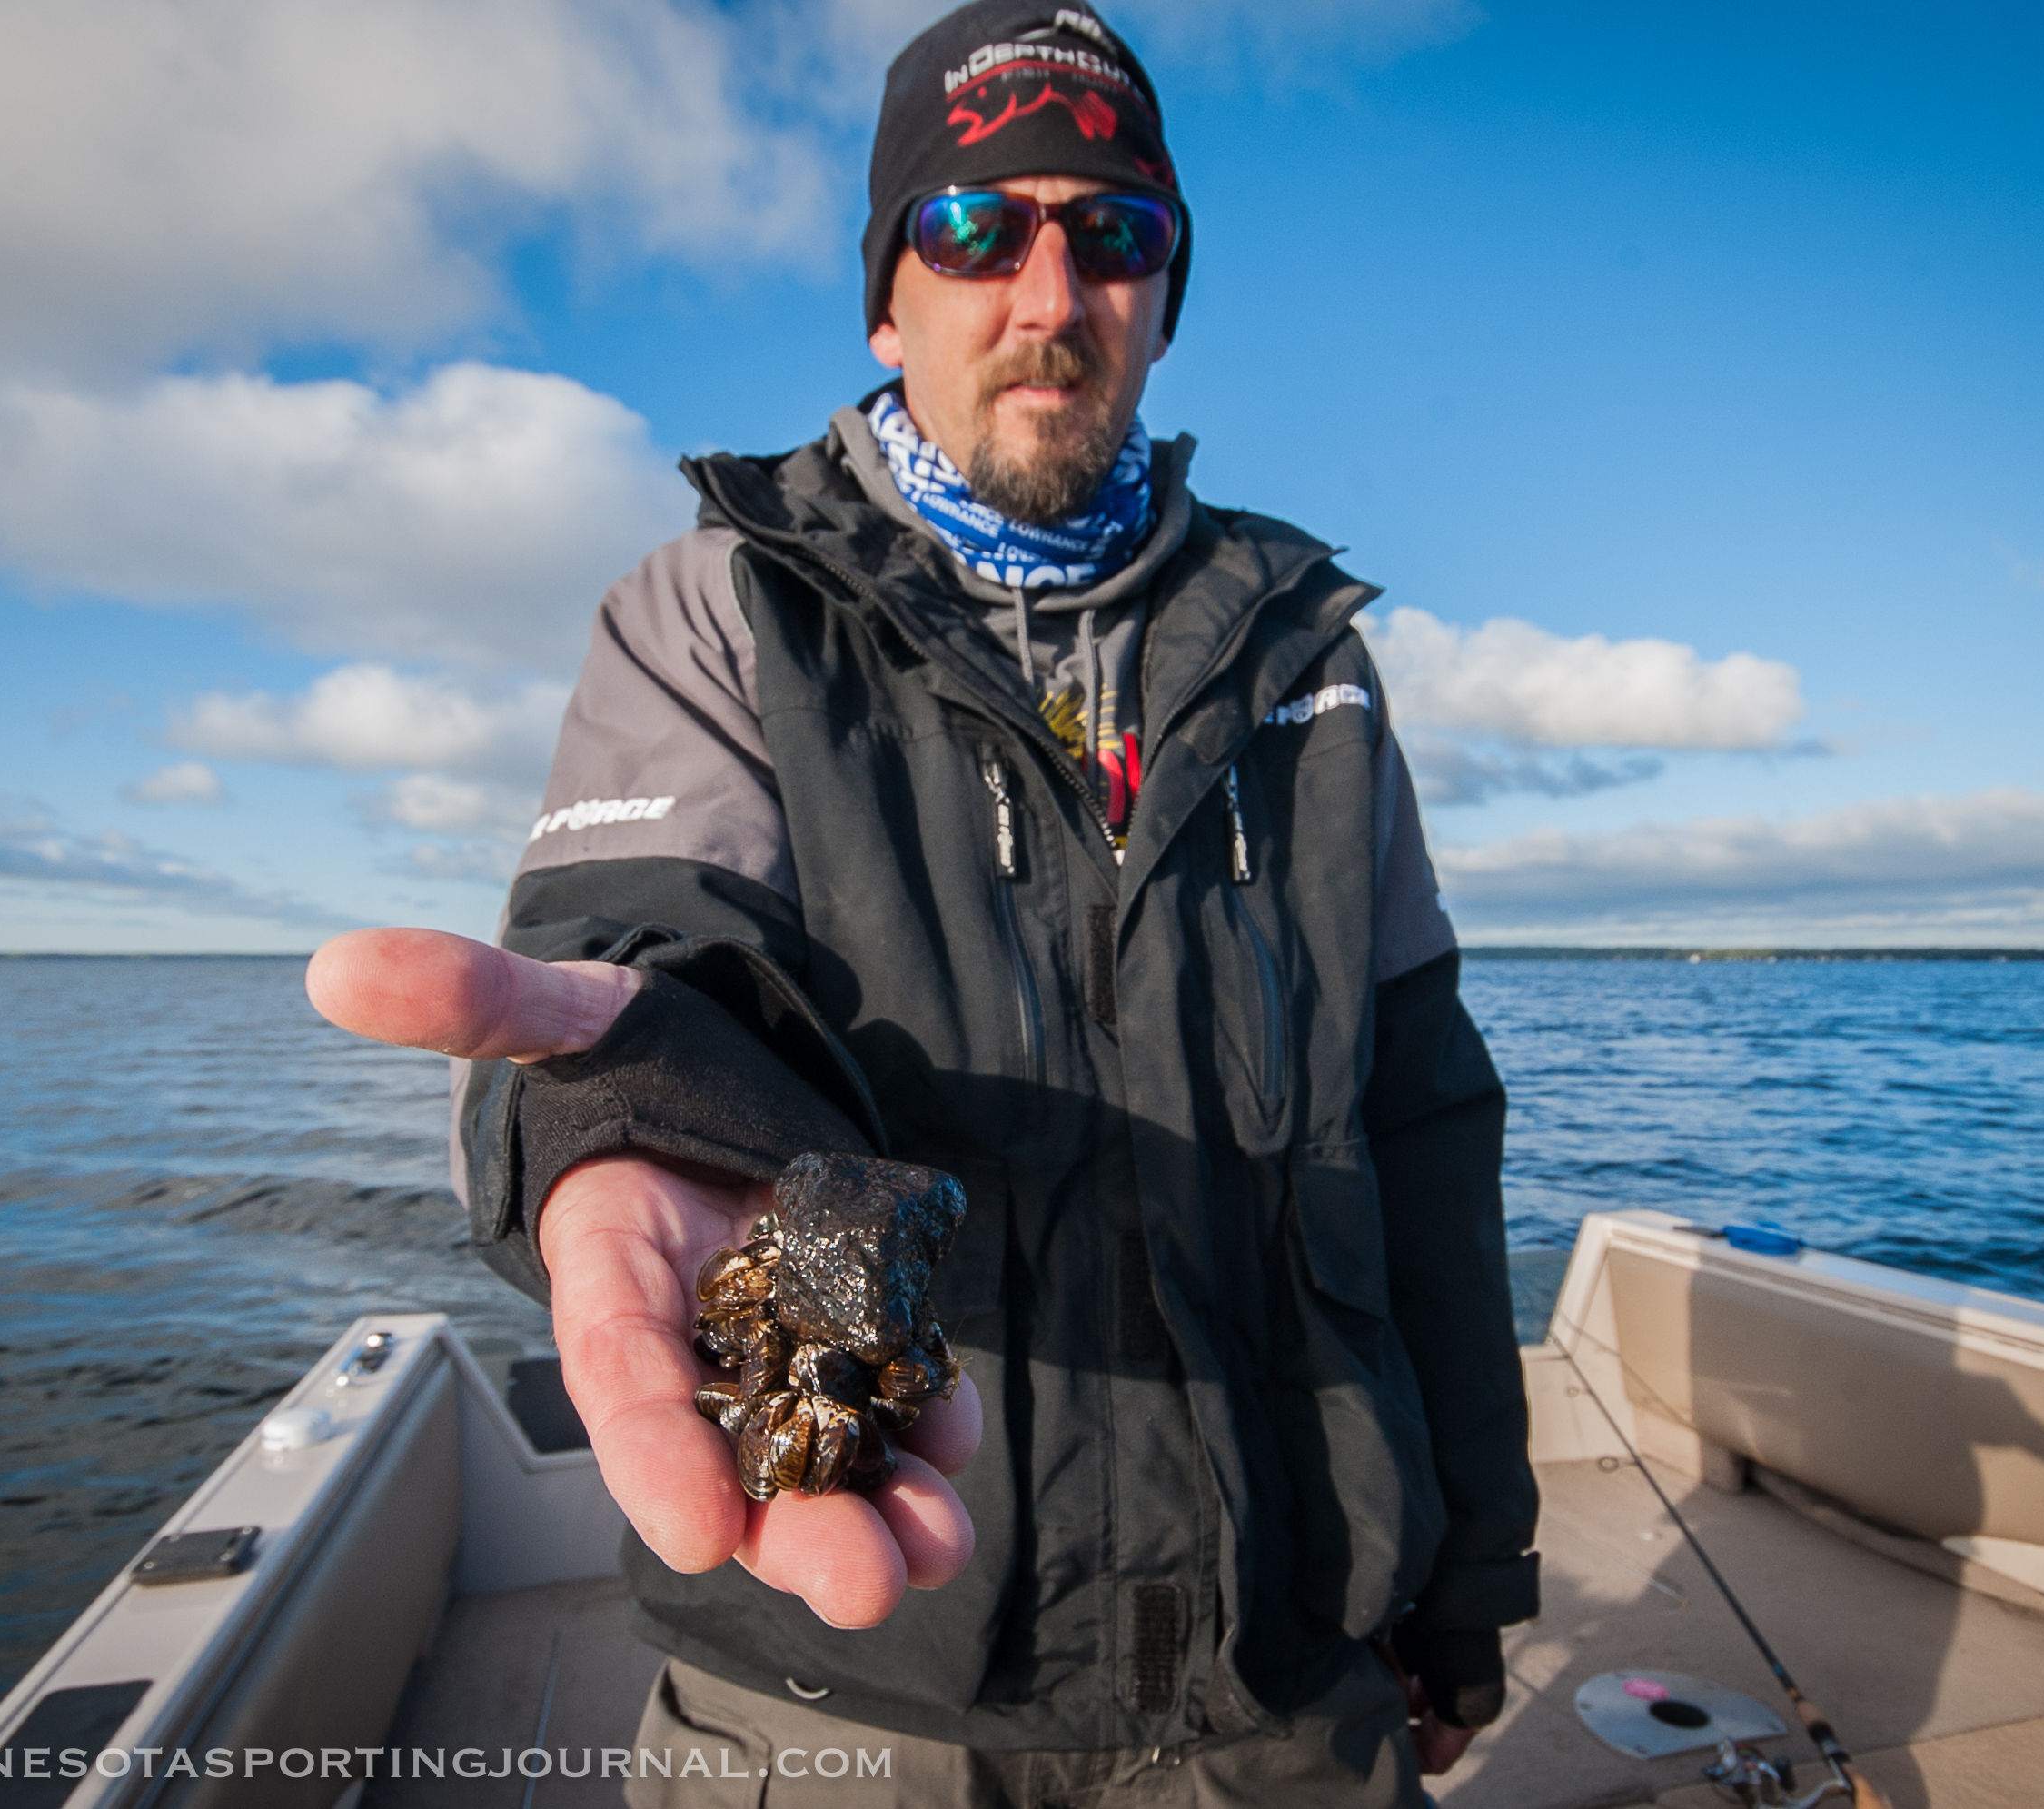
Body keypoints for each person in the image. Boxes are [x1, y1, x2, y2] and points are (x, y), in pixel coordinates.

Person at [307, 3, 1538, 1800]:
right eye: (978, 228)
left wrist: (1467, 1574)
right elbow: (657, 966)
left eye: (1113, 233)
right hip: (856, 1657)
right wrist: (632, 1121)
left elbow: (1423, 1134)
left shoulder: (1309, 669)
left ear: (1165, 299)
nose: (1050, 294)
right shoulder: (723, 610)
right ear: (889, 296)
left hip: (1282, 1659)